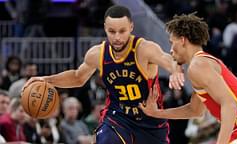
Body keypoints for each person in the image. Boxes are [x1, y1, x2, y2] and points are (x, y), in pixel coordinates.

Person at [24, 5, 184, 144]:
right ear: (105, 28)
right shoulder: (97, 54)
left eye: (122, 31)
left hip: (149, 118)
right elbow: (78, 77)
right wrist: (47, 79)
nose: (117, 37)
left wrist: (176, 70)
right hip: (118, 116)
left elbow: (167, 59)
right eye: (112, 31)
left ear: (131, 27)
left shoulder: (144, 49)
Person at [139, 13, 237, 144]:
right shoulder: (201, 64)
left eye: (172, 43)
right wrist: (156, 113)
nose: (171, 50)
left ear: (183, 40)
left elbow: (229, 104)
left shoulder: (198, 66)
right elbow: (195, 110)